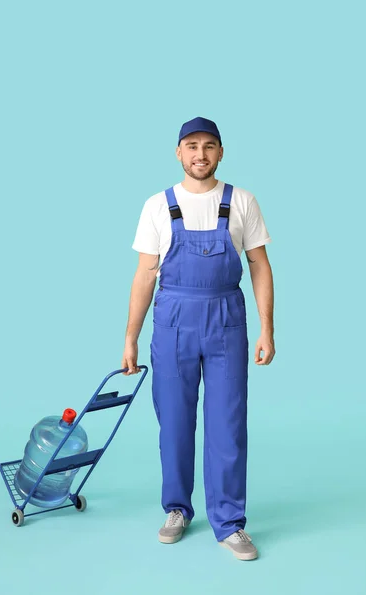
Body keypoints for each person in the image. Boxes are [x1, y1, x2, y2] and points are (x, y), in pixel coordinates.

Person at [122, 116, 275, 561]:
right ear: (178, 153)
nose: (200, 154)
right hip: (172, 321)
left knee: (228, 424)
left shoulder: (241, 201)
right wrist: (130, 337)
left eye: (209, 146)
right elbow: (143, 277)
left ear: (221, 153)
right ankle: (177, 509)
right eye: (191, 146)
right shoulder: (157, 205)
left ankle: (229, 523)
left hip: (226, 317)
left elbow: (260, 267)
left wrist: (268, 327)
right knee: (174, 421)